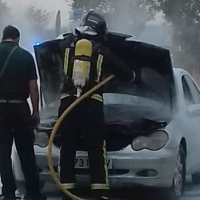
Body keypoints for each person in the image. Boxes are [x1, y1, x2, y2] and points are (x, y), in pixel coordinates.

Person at [57, 11, 140, 200]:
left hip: (67, 103)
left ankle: (67, 192)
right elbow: (126, 73)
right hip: (91, 104)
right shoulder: (102, 50)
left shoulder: (65, 46)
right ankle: (100, 193)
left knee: (67, 147)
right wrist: (135, 76)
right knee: (96, 148)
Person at [0, 25, 46, 200]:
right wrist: (35, 111)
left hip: (0, 109)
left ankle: (8, 192)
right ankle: (33, 191)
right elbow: (33, 87)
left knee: (3, 153)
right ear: (17, 39)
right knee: (26, 150)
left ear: (3, 37)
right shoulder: (25, 56)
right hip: (20, 108)